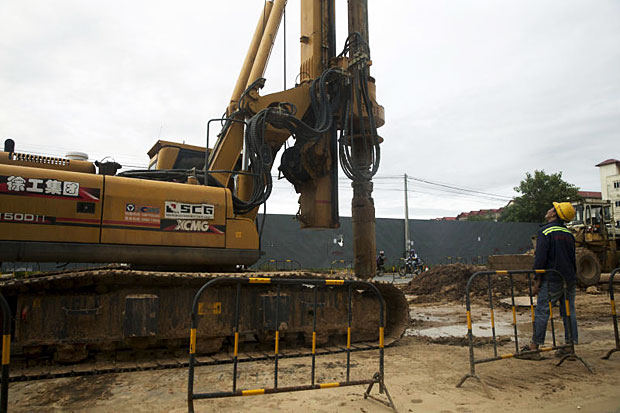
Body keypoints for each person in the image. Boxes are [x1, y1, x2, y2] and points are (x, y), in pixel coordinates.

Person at [521, 201, 578, 358]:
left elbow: (540, 258)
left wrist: (537, 279)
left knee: (542, 312)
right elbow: (572, 258)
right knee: (569, 311)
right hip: (569, 279)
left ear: (554, 214)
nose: (549, 209)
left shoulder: (545, 232)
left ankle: (534, 348)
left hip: (552, 278)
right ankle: (570, 347)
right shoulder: (568, 234)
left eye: (552, 208)